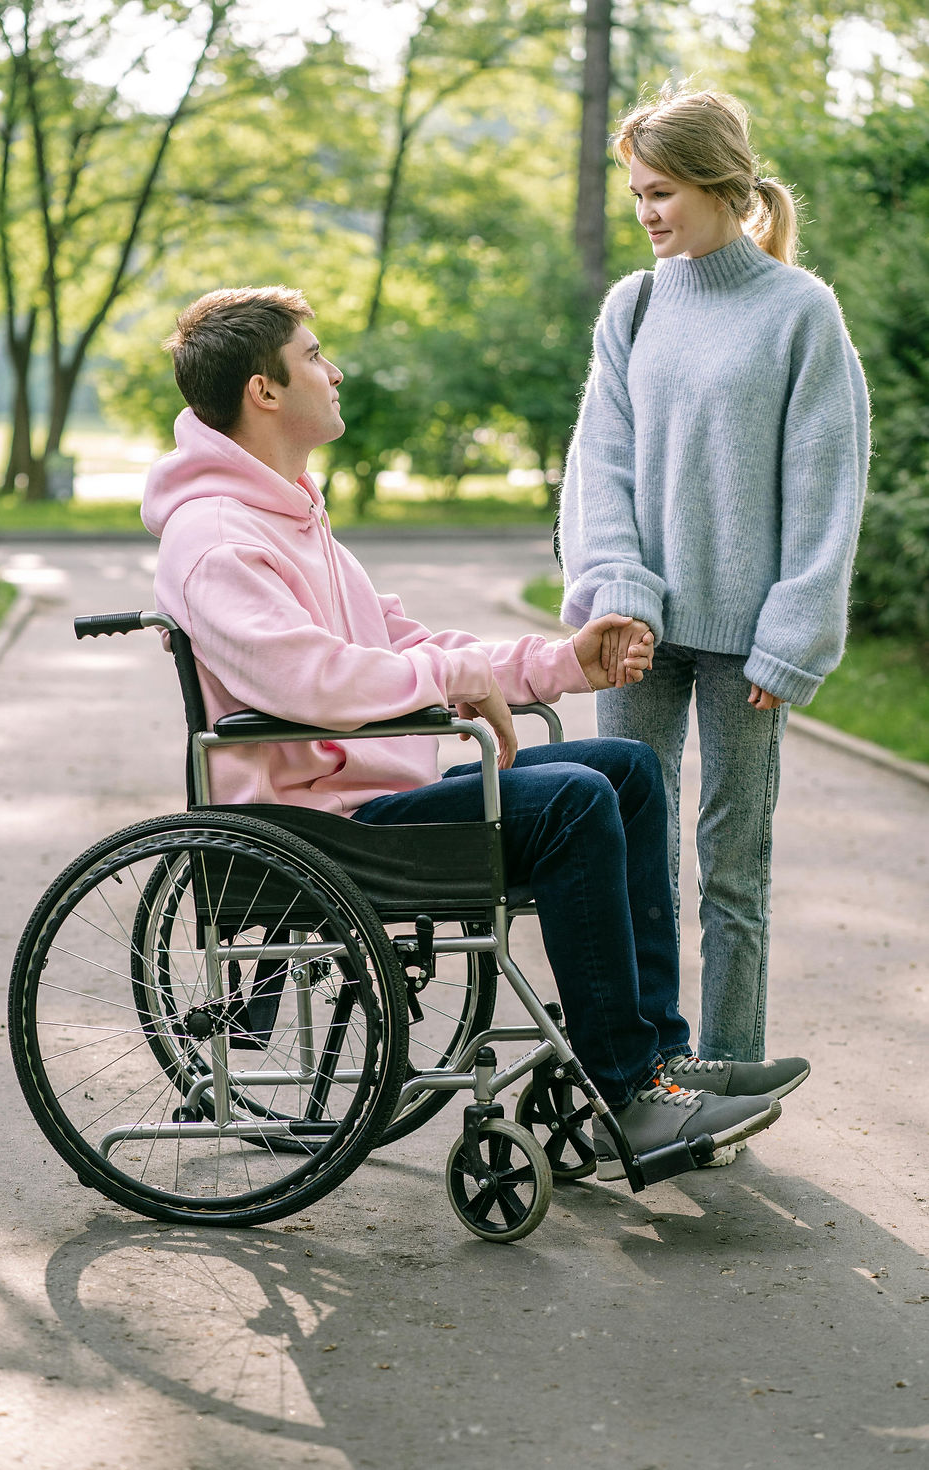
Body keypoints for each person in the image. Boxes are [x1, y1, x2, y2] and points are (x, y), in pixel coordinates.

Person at [141, 284, 810, 1180]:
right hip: (314, 828)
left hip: (373, 800)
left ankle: (657, 1054)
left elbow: (414, 648)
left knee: (625, 768)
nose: (333, 372)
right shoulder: (219, 539)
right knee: (571, 800)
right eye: (313, 358)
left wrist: (564, 662)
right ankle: (630, 1094)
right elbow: (312, 682)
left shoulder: (295, 515)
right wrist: (452, 680)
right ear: (265, 391)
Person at [559, 86, 869, 1070]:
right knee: (625, 860)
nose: (645, 212)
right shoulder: (633, 305)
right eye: (635, 195)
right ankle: (641, 1064)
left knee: (731, 871)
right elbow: (597, 466)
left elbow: (826, 484)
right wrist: (618, 596)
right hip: (635, 632)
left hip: (749, 646)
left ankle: (728, 1076)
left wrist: (791, 634)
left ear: (717, 185)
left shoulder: (798, 312)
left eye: (660, 192)